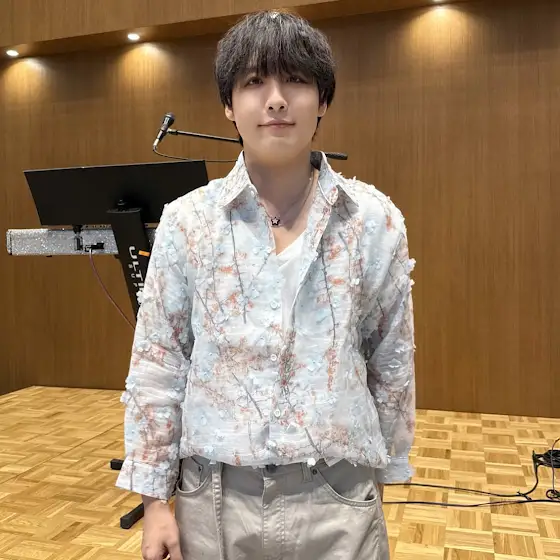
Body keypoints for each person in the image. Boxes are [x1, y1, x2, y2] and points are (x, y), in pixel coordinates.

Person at [116, 9, 416, 560]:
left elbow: (390, 358)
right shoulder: (187, 222)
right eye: (254, 82)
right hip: (213, 498)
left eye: (295, 80)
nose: (275, 100)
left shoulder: (374, 220)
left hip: (338, 496)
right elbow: (159, 363)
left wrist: (388, 471)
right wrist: (154, 501)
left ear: (322, 101)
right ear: (229, 105)